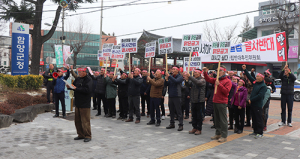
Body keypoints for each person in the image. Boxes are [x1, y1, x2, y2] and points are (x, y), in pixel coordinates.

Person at [203, 65, 232, 143]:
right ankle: (218, 133)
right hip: (215, 101)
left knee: (223, 120)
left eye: (219, 71)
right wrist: (205, 73)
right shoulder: (217, 79)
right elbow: (208, 79)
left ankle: (224, 135)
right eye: (217, 71)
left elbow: (226, 92)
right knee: (216, 119)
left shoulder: (228, 81)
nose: (217, 72)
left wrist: (219, 84)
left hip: (222, 102)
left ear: (223, 71)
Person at [68, 67, 93, 142]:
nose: (79, 73)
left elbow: (87, 90)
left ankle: (88, 135)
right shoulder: (78, 79)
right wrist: (70, 87)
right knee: (77, 120)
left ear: (85, 72)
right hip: (78, 102)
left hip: (85, 103)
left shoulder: (89, 80)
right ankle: (80, 134)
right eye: (78, 72)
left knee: (85, 121)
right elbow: (74, 86)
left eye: (80, 72)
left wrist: (76, 89)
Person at [242, 64, 267, 139]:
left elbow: (260, 96)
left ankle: (260, 132)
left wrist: (251, 99)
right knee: (254, 118)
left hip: (258, 105)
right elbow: (249, 77)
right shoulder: (255, 83)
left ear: (262, 78)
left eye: (258, 77)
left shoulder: (263, 86)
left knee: (258, 119)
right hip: (252, 104)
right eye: (256, 77)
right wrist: (245, 70)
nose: (256, 78)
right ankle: (255, 131)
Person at [185, 70, 206, 135]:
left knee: (199, 116)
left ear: (200, 73)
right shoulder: (193, 80)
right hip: (193, 100)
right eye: (194, 72)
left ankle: (199, 129)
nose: (195, 73)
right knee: (193, 115)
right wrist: (186, 80)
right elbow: (188, 85)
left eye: (196, 72)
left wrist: (190, 77)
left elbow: (197, 83)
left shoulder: (202, 80)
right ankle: (194, 127)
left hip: (199, 100)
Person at [165, 66, 184, 131]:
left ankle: (181, 125)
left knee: (178, 111)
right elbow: (166, 84)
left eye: (174, 69)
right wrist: (166, 79)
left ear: (177, 71)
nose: (172, 70)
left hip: (177, 95)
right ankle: (172, 123)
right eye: (172, 69)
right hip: (171, 95)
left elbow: (176, 81)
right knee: (171, 111)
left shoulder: (179, 77)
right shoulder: (171, 77)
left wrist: (169, 76)